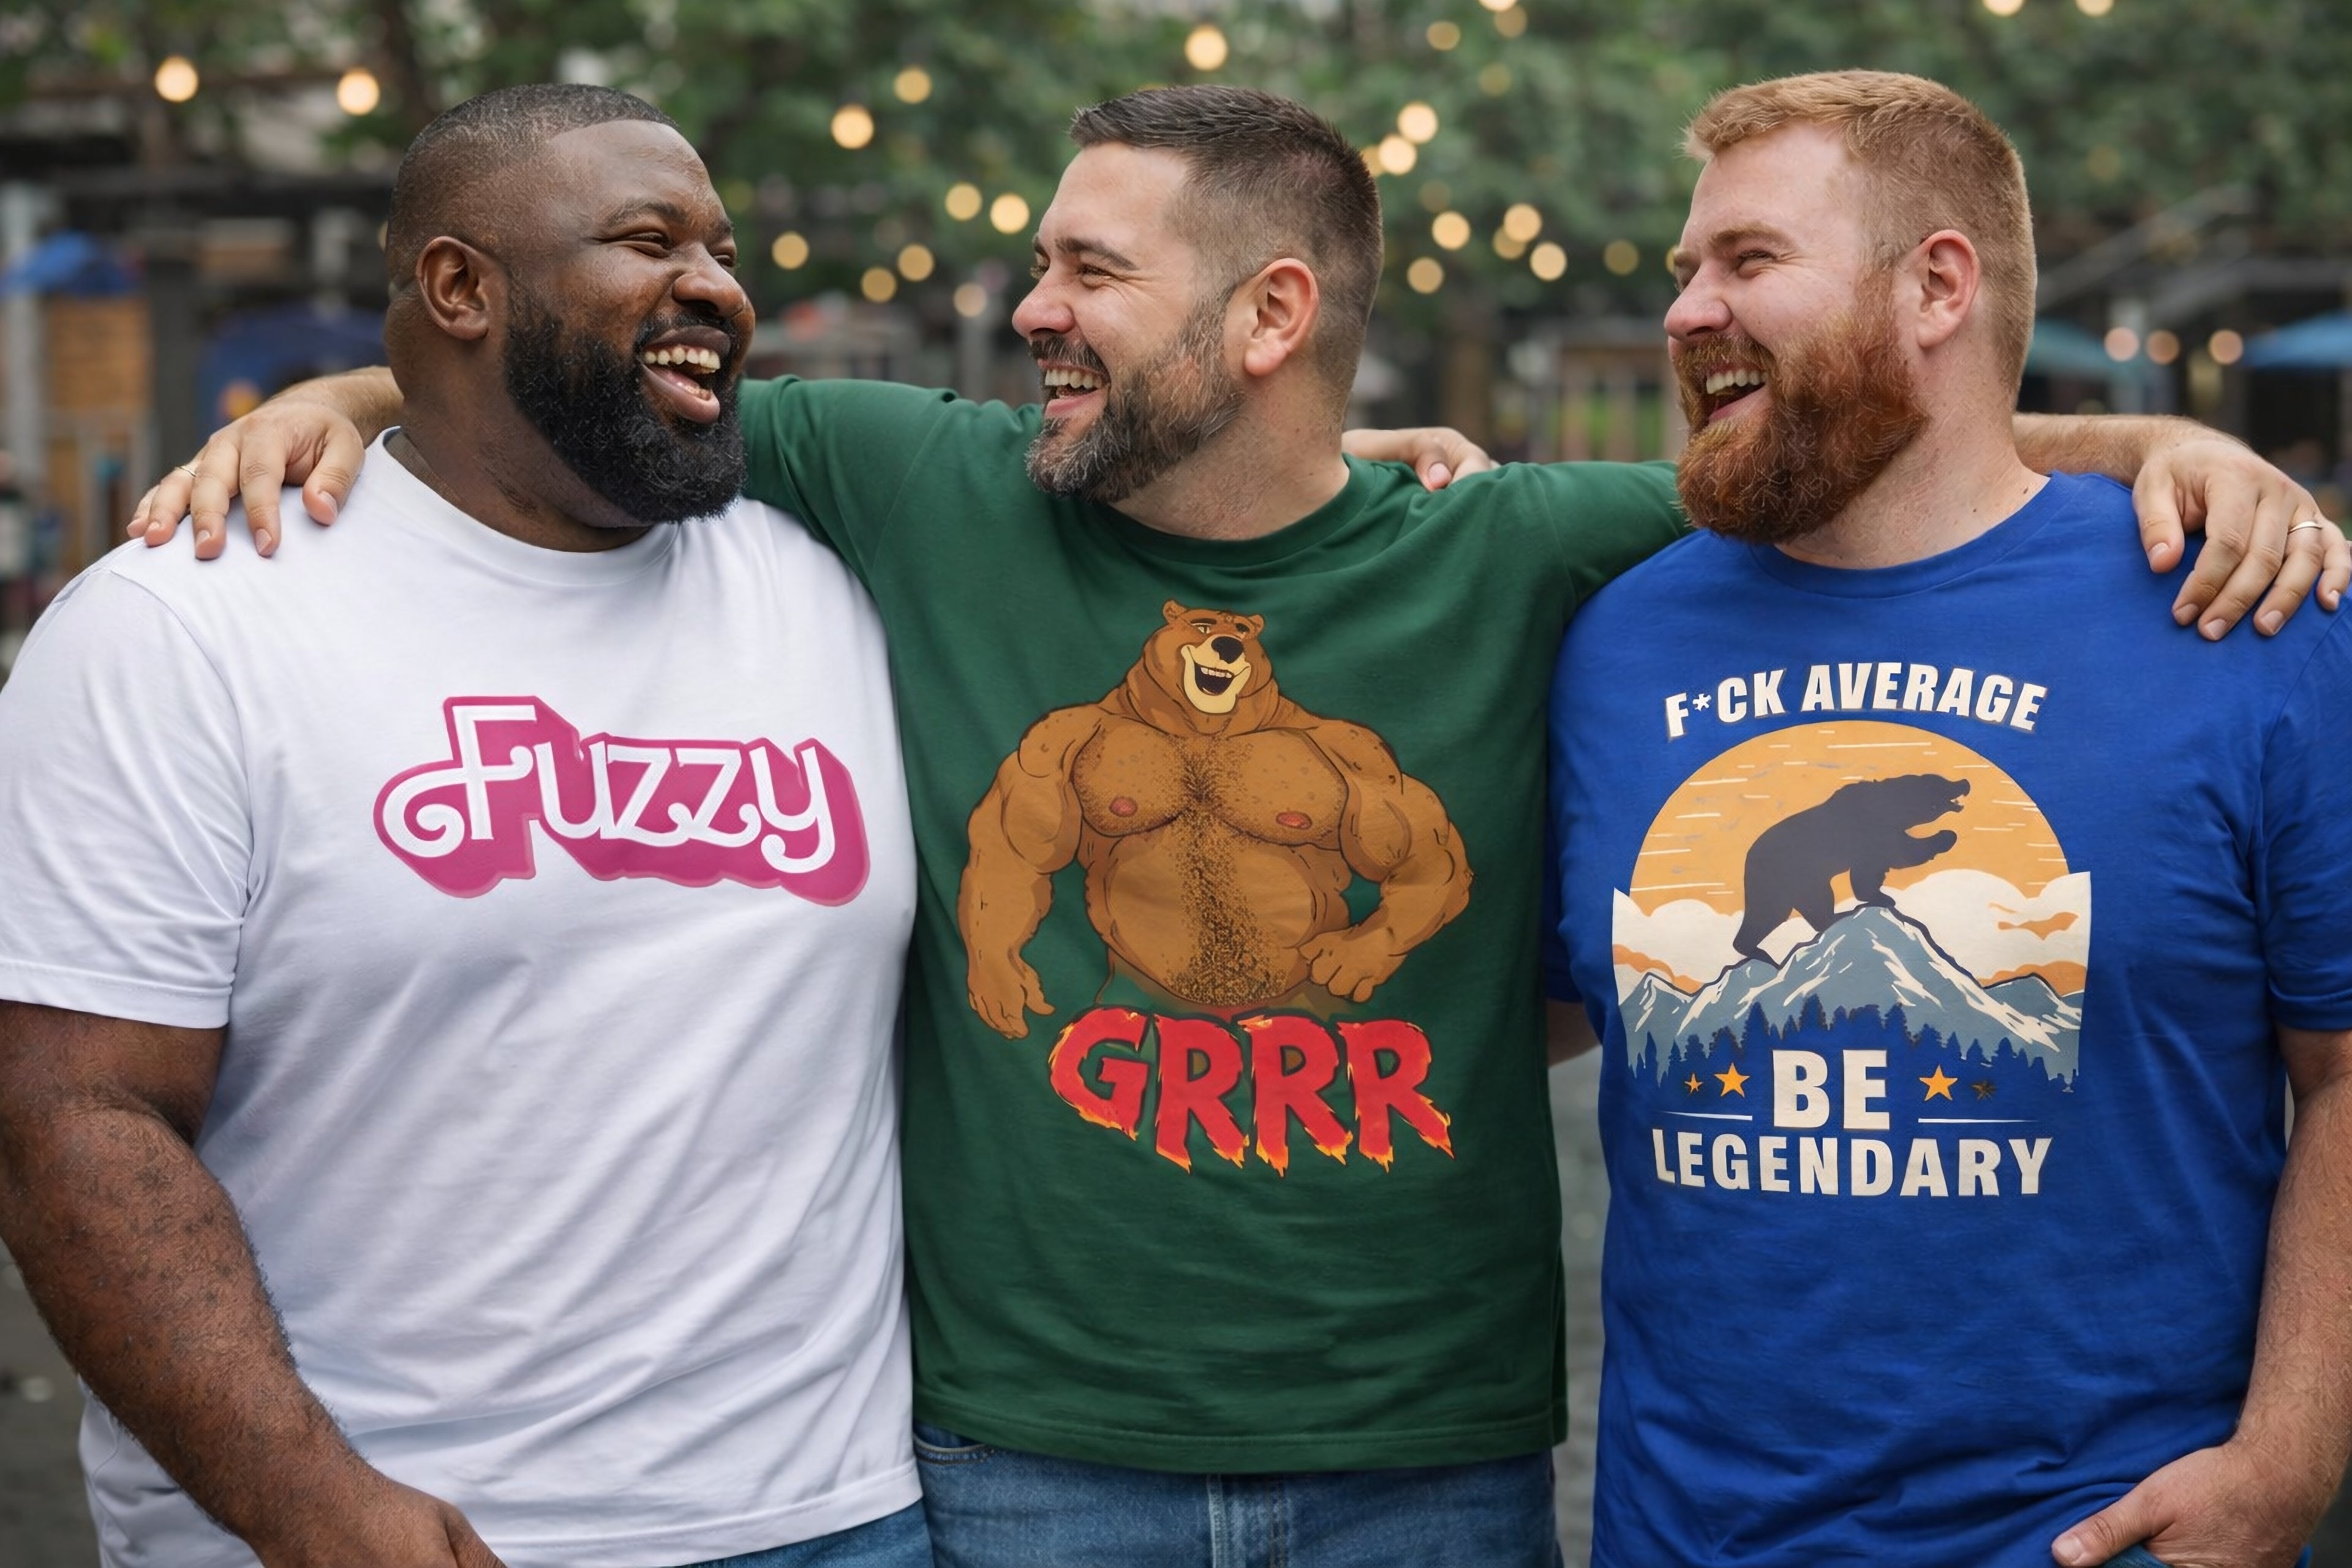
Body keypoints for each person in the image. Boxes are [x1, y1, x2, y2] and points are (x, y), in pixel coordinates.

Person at [140, 84, 2340, 1568]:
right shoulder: (918, 481)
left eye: (1092, 273)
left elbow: (1850, 438)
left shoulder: (1527, 550)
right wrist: (332, 403)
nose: (1031, 312)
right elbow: (590, 382)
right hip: (1013, 1465)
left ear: (1272, 317)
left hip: (1431, 1466)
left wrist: (2147, 436)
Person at [0, 85, 930, 1568]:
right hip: (374, 1529)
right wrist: (311, 1506)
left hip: (830, 1516)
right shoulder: (185, 623)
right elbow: (73, 1120)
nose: (717, 287)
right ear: (458, 287)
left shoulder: (833, 578)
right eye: (649, 240)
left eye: (725, 249)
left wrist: (1369, 472)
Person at [1548, 70, 2352, 1568]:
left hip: (2108, 1527)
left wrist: (2288, 1461)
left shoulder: (2245, 609)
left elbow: (2346, 1062)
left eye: (1748, 260)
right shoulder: (1613, 638)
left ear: (1936, 285)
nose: (1683, 311)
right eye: (1683, 272)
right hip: (1695, 1532)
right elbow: (1530, 1007)